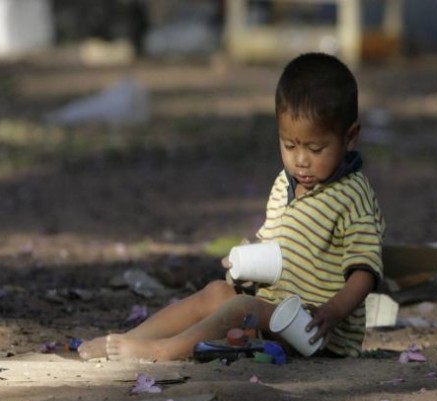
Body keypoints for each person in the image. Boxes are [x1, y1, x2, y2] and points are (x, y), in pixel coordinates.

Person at [78, 52, 385, 362]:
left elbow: (364, 270)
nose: (300, 160)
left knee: (243, 308)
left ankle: (161, 352)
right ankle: (127, 339)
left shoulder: (352, 196)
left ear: (350, 137)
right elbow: (279, 253)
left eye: (315, 148)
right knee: (216, 293)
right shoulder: (284, 183)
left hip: (314, 332)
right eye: (289, 145)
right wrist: (248, 266)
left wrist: (333, 311)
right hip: (272, 313)